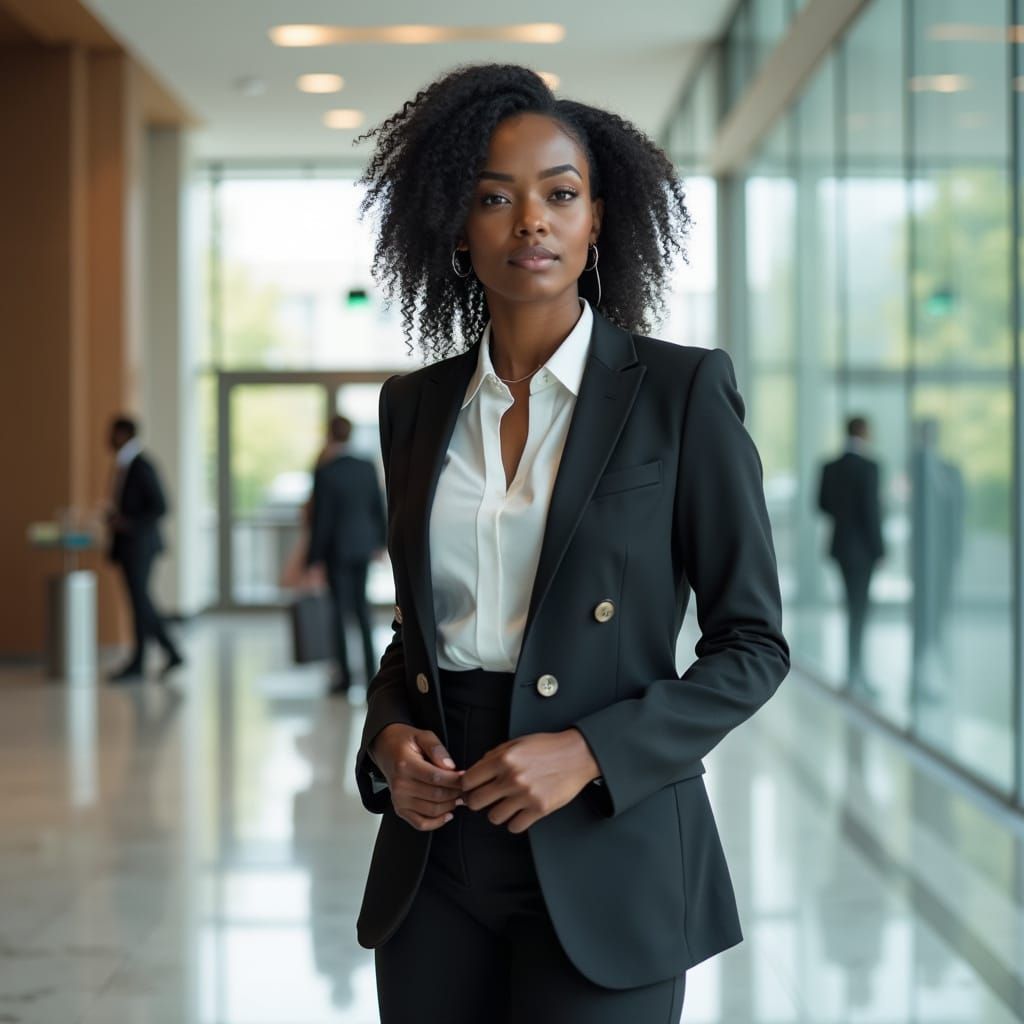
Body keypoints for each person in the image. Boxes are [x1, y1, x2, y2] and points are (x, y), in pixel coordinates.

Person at [353, 64, 789, 1023]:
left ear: (598, 220)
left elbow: (753, 647)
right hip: (436, 856)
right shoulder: (413, 408)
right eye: (494, 199)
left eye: (559, 195)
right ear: (457, 228)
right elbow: (414, 636)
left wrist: (590, 751)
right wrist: (387, 742)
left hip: (608, 839)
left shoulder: (681, 393)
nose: (530, 223)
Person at [305, 415, 386, 696]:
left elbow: (322, 519)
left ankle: (345, 678)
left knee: (339, 612)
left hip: (337, 549)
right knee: (362, 608)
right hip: (363, 546)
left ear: (329, 435)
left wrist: (313, 558)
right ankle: (370, 671)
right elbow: (378, 506)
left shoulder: (326, 471)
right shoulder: (365, 466)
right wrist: (381, 542)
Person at [105, 415, 184, 682]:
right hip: (130, 546)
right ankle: (159, 655)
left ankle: (154, 655)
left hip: (140, 546)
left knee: (141, 602)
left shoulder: (141, 465)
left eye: (113, 433)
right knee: (140, 603)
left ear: (124, 434)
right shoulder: (124, 466)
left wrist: (128, 523)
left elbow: (161, 506)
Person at [817, 416, 885, 695]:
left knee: (851, 607)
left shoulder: (830, 467)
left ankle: (852, 671)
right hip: (864, 550)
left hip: (841, 547)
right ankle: (856, 671)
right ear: (864, 433)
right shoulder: (870, 467)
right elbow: (872, 513)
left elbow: (821, 504)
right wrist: (880, 548)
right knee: (859, 611)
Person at [909, 417, 964, 702]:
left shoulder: (950, 470)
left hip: (942, 559)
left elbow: (957, 514)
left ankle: (935, 674)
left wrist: (955, 553)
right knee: (924, 619)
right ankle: (920, 678)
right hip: (923, 562)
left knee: (939, 617)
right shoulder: (916, 466)